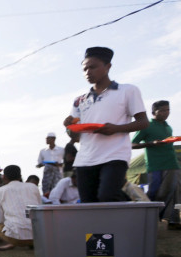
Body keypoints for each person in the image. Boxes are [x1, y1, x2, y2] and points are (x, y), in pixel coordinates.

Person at [63, 46, 148, 203]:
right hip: (85, 158)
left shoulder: (127, 90)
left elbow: (143, 122)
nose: (88, 72)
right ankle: (100, 228)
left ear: (108, 66)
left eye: (93, 67)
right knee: (89, 203)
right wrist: (69, 127)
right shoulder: (79, 100)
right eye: (85, 69)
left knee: (107, 196)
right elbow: (75, 136)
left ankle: (136, 205)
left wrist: (116, 128)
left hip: (114, 155)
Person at [132, 100, 181, 229]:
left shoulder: (167, 126)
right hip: (155, 165)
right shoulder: (147, 126)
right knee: (156, 192)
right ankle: (146, 219)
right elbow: (132, 144)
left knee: (174, 191)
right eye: (163, 110)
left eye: (168, 110)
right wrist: (151, 144)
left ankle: (173, 221)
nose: (167, 113)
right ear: (154, 112)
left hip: (172, 163)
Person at [0, 165, 42, 250]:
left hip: (15, 238)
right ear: (20, 177)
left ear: (4, 177)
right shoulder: (33, 187)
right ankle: (29, 242)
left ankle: (9, 243)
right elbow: (39, 211)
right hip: (37, 237)